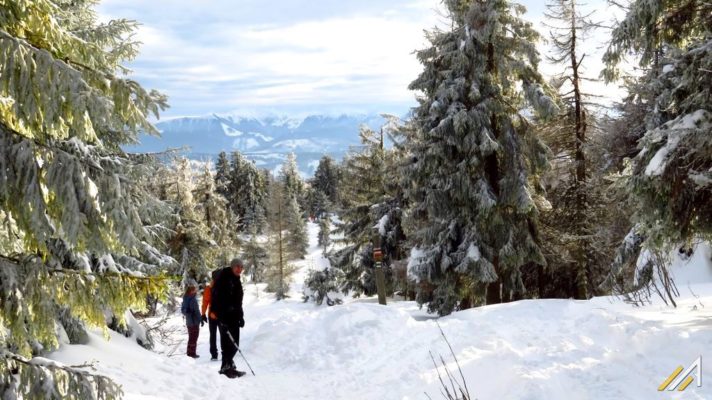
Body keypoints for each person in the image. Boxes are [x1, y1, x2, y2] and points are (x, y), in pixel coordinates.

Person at [211, 258, 246, 379]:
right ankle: (226, 368)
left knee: (235, 343)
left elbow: (238, 302)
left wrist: (241, 316)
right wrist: (220, 316)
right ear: (232, 267)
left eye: (241, 267)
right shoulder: (224, 278)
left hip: (234, 317)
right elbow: (216, 298)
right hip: (225, 317)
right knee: (227, 344)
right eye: (237, 266)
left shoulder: (236, 280)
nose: (239, 269)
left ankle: (229, 366)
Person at [201, 270, 220, 361]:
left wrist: (203, 314)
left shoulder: (209, 288)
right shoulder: (223, 287)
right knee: (223, 335)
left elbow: (205, 302)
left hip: (212, 316)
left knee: (213, 335)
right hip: (221, 316)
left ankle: (214, 355)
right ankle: (225, 353)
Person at [180, 279, 201, 358]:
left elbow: (196, 311)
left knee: (192, 337)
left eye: (195, 289)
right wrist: (187, 311)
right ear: (190, 291)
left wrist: (200, 319)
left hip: (192, 322)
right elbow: (195, 311)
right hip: (192, 322)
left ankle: (190, 353)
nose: (195, 291)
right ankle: (192, 353)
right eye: (194, 289)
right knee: (193, 337)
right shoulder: (189, 299)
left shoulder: (189, 298)